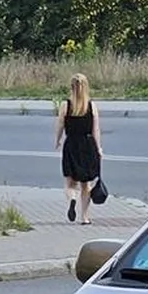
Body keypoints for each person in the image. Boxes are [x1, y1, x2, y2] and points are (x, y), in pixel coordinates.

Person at [55, 73, 103, 224]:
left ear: (71, 87)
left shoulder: (65, 105)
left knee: (70, 183)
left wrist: (57, 141)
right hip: (87, 145)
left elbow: (60, 126)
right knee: (86, 185)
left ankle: (72, 199)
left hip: (71, 145)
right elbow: (96, 130)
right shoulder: (91, 106)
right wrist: (98, 148)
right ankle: (85, 217)